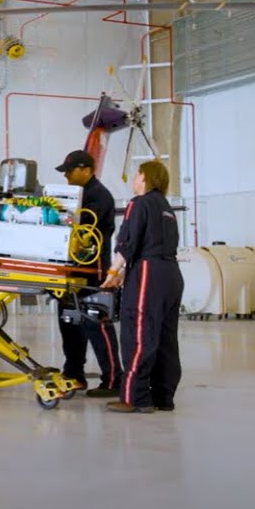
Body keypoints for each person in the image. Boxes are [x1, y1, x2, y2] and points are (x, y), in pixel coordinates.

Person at [100, 160, 183, 413]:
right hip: (170, 274)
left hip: (148, 273)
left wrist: (114, 271)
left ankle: (134, 397)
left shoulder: (139, 204)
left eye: (136, 174)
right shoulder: (166, 208)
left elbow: (128, 242)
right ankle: (163, 397)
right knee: (165, 338)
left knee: (138, 333)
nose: (133, 179)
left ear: (145, 177)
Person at [54, 149, 122, 398]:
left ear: (85, 170)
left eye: (70, 172)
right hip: (72, 270)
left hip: (94, 271)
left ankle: (114, 380)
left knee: (97, 325)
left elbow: (82, 228)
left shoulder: (98, 196)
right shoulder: (78, 194)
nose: (67, 177)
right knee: (69, 320)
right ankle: (73, 373)